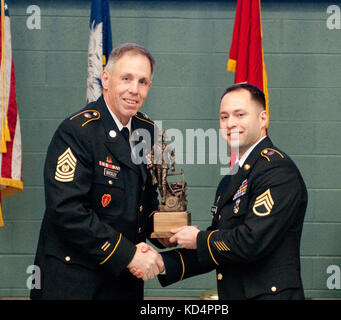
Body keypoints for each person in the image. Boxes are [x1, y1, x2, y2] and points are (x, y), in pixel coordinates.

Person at [132, 83, 308, 300]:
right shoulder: (231, 180)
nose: (231, 123)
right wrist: (162, 263)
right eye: (224, 117)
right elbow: (218, 247)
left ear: (263, 119)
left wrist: (198, 239)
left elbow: (251, 242)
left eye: (240, 114)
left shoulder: (277, 170)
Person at [31, 43, 165, 300]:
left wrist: (165, 233)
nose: (134, 90)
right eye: (126, 78)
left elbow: (143, 205)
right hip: (74, 283)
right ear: (106, 78)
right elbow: (67, 210)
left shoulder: (146, 132)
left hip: (123, 282)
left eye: (143, 82)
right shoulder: (77, 131)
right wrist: (129, 255)